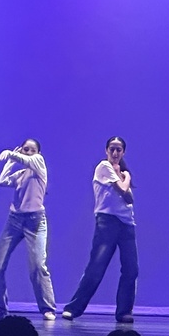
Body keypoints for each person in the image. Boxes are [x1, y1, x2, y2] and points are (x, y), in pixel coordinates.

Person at [63, 137, 138, 323]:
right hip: (107, 223)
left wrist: (123, 177)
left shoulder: (120, 172)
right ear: (106, 150)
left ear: (123, 152)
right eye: (112, 149)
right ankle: (73, 308)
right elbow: (122, 190)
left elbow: (130, 200)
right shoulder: (104, 166)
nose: (115, 153)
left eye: (119, 150)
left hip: (127, 224)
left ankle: (124, 312)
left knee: (131, 270)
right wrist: (126, 177)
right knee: (96, 267)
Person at [0, 139, 56, 320]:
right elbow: (1, 181)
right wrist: (9, 163)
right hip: (14, 221)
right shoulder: (20, 174)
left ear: (38, 154)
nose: (28, 153)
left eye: (32, 150)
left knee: (37, 266)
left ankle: (47, 308)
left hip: (35, 222)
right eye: (25, 150)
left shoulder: (39, 166)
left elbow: (28, 160)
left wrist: (10, 153)